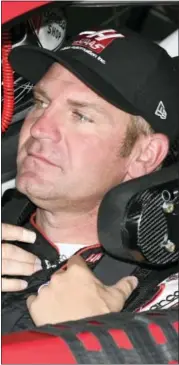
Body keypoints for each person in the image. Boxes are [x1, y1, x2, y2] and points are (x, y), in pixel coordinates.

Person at [2, 28, 179, 332]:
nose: (39, 128)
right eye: (42, 102)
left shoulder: (163, 302)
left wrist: (88, 341)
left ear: (144, 155)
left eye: (80, 116)